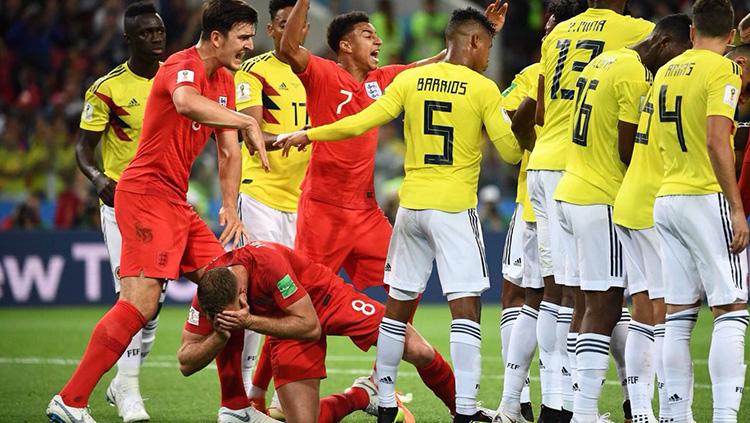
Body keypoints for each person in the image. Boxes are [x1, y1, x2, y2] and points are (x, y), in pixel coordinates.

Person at [277, 6, 519, 423]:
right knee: (464, 309)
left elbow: (360, 120)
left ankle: (382, 396)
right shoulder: (482, 88)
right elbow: (512, 151)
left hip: (399, 210)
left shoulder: (401, 80)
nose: (379, 41)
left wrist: (306, 134)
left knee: (398, 306)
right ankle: (465, 411)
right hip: (436, 211)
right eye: (368, 35)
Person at [46, 1, 269, 422]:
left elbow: (227, 151)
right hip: (146, 193)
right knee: (140, 303)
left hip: (174, 202)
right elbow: (185, 103)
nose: (249, 46)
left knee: (229, 285)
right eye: (243, 37)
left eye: (251, 37)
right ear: (216, 37)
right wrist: (246, 121)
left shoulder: (225, 80)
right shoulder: (181, 66)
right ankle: (70, 400)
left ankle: (235, 407)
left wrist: (228, 206)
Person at [552, 15, 692, 423]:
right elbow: (628, 148)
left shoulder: (606, 61)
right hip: (600, 197)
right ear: (665, 43)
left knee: (585, 303)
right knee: (606, 306)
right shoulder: (634, 76)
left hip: (570, 189)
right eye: (680, 53)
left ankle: (580, 408)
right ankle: (583, 412)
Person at [527, 1, 654, 420]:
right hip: (588, 168)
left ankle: (556, 403)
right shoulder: (633, 30)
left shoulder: (558, 31)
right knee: (602, 298)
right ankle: (600, 405)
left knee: (558, 294)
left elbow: (542, 111)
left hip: (544, 169)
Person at [276, 0, 452, 298]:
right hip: (323, 209)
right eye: (368, 35)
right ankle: (278, 346)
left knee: (405, 282)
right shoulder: (322, 73)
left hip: (365, 211)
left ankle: (393, 342)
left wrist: (480, 33)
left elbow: (438, 62)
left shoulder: (383, 79)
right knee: (305, 297)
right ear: (345, 45)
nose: (379, 41)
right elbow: (288, 47)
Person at [178, 241, 461, 423]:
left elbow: (310, 326)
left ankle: (462, 411)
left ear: (242, 292)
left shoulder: (266, 262)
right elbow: (186, 363)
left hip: (326, 298)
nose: (231, 316)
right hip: (285, 324)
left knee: (418, 349)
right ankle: (361, 395)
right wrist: (221, 334)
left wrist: (248, 321)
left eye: (235, 309)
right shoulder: (210, 292)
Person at [652, 1, 750, 422]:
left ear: (691, 33)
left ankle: (676, 416)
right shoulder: (723, 70)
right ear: (730, 36)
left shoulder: (664, 72)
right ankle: (726, 418)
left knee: (677, 315)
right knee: (731, 309)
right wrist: (736, 207)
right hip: (705, 196)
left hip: (667, 198)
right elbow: (716, 140)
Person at [495, 2, 587, 421]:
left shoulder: (542, 74)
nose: (546, 26)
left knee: (547, 296)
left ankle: (543, 400)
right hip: (560, 197)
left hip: (543, 194)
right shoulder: (539, 72)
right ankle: (522, 400)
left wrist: (529, 143)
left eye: (553, 20)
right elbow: (501, 112)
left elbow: (510, 117)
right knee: (538, 295)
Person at [74, 3, 166, 421]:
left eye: (160, 30)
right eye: (146, 33)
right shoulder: (107, 88)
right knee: (130, 299)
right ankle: (129, 391)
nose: (156, 38)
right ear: (129, 39)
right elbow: (83, 148)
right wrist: (97, 179)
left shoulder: (174, 80)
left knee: (153, 307)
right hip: (122, 204)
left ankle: (120, 381)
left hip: (165, 203)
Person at [611, 17, 694, 423]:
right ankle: (676, 412)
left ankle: (642, 411)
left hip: (627, 202)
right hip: (650, 207)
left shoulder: (648, 84)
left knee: (643, 309)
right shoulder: (682, 87)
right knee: (668, 313)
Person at [232, 0, 311, 415]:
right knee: (258, 291)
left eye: (294, 26)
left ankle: (280, 392)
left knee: (294, 299)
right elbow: (251, 128)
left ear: (305, 29)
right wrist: (301, 136)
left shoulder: (313, 71)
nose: (287, 32)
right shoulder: (253, 70)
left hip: (303, 202)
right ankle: (246, 392)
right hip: (260, 193)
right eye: (280, 25)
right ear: (271, 28)